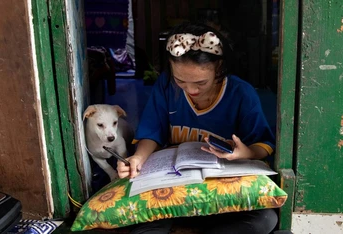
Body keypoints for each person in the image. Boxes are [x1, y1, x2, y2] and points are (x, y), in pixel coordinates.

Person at [117, 21, 277, 234]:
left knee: (263, 219)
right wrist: (138, 158)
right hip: (174, 186)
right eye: (180, 80)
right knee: (140, 220)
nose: (191, 90)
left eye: (201, 83)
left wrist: (244, 152)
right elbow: (152, 132)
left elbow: (262, 144)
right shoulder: (166, 85)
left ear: (219, 68)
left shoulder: (241, 94)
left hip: (222, 188)